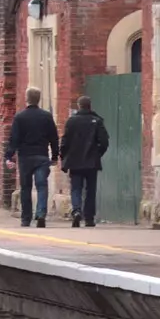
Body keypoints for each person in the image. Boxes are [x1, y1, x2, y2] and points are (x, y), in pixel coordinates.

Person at [4, 86, 59, 228]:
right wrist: (54, 155)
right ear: (38, 99)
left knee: (26, 187)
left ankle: (26, 219)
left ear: (26, 98)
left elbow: (14, 139)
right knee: (42, 186)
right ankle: (41, 214)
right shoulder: (46, 116)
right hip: (41, 155)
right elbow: (54, 137)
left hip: (25, 157)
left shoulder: (20, 117)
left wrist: (9, 156)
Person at [59, 95, 110, 228]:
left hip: (75, 161)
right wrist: (98, 154)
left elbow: (64, 142)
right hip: (91, 161)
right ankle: (89, 218)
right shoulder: (97, 121)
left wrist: (63, 156)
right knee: (90, 190)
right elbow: (104, 141)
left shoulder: (71, 121)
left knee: (76, 188)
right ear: (90, 106)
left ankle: (76, 210)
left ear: (79, 106)